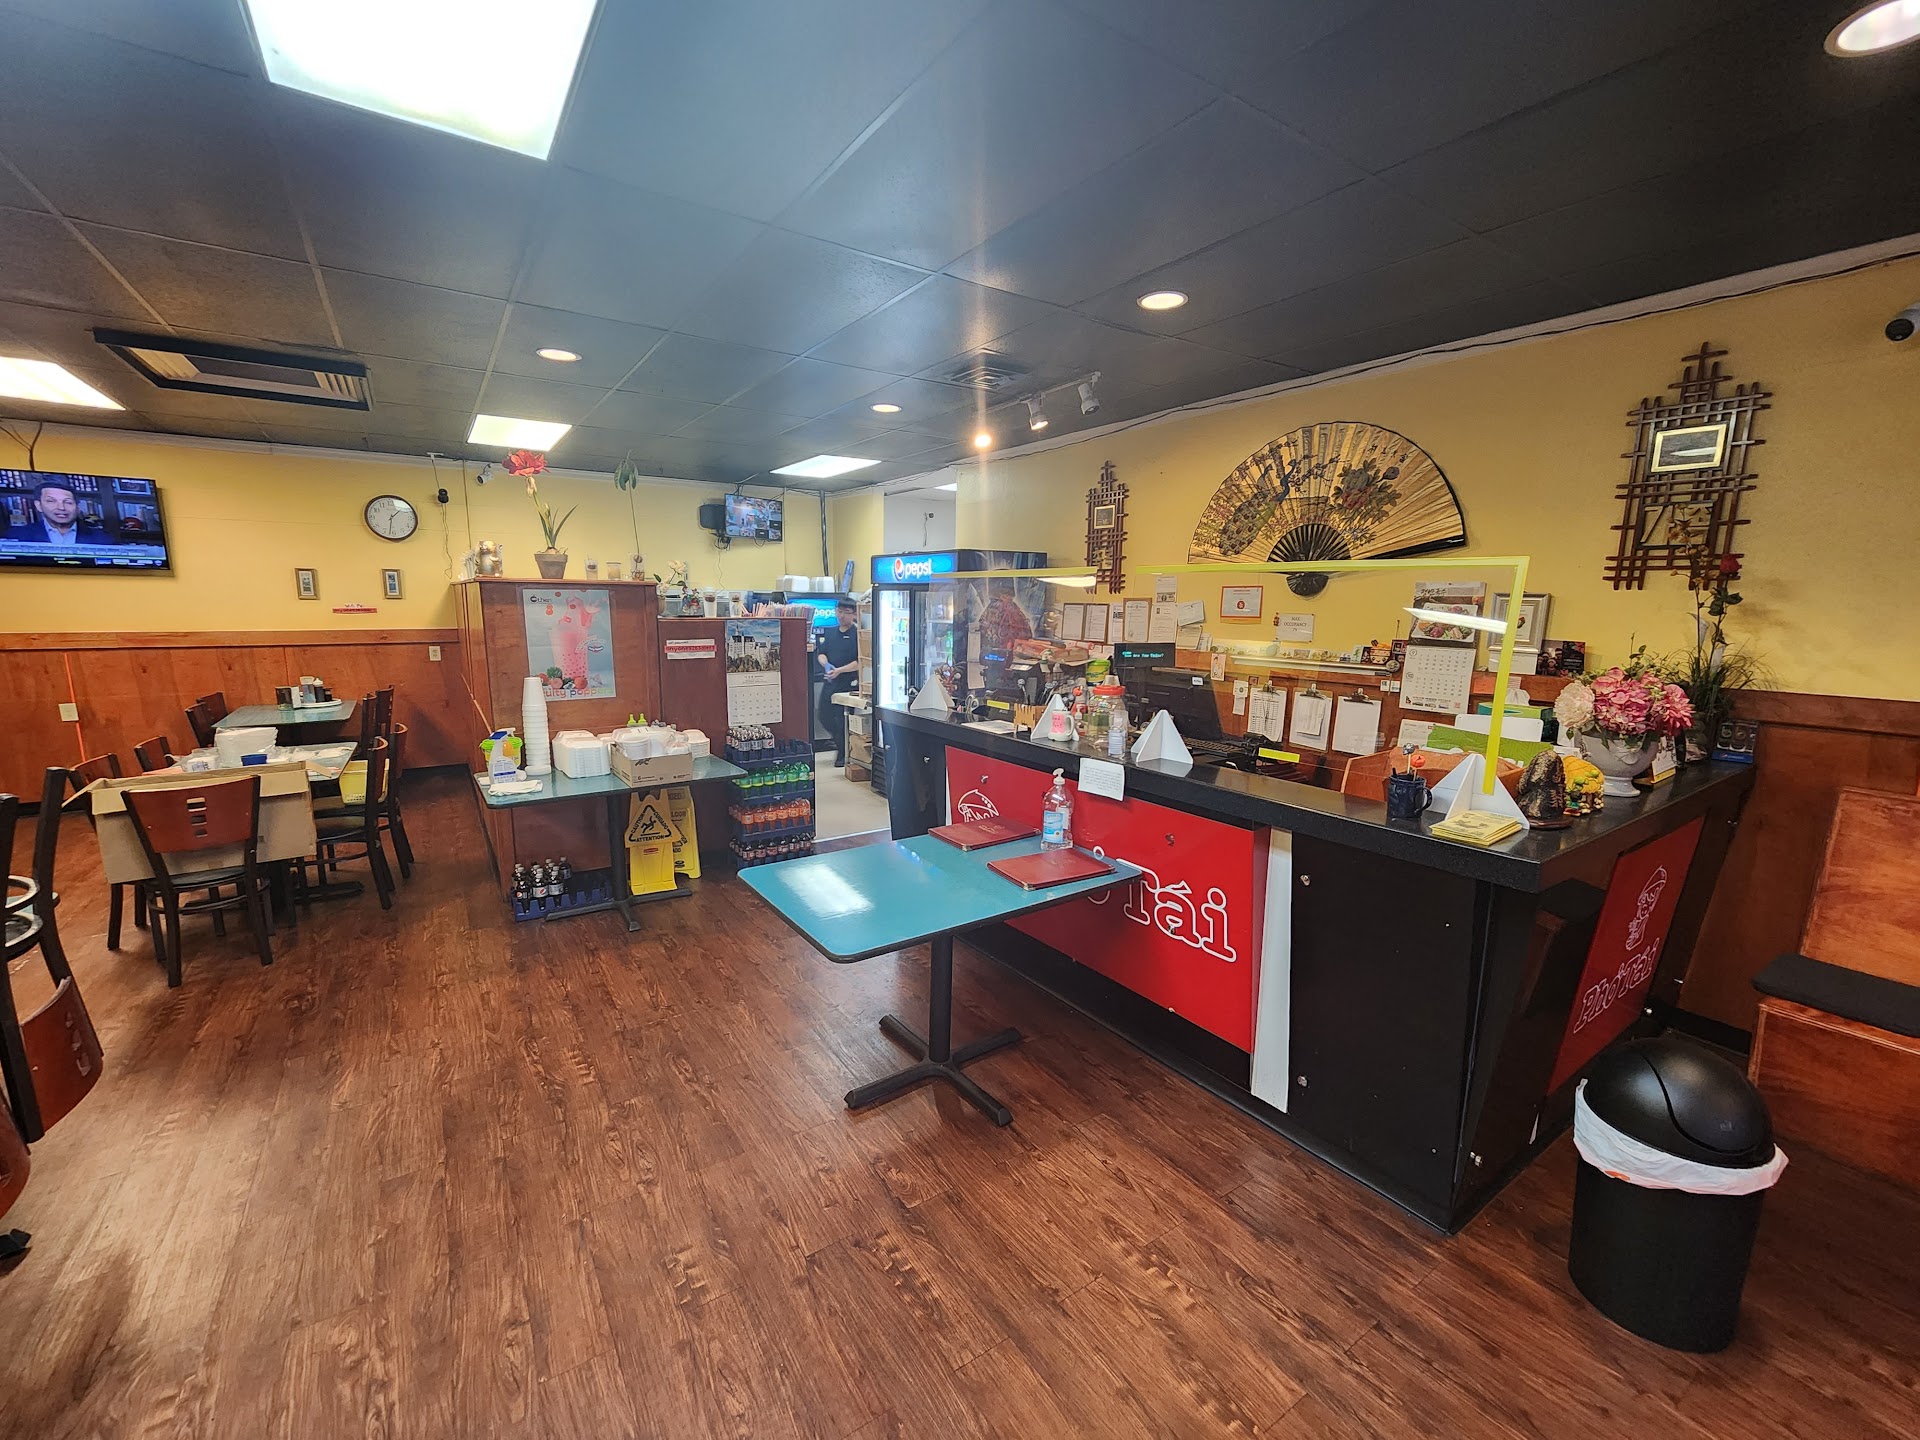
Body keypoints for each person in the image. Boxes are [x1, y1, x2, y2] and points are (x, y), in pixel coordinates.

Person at [816, 599, 861, 767]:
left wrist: (840, 670)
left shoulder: (857, 634)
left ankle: (843, 754)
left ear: (854, 614)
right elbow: (821, 653)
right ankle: (840, 744)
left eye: (846, 613)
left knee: (841, 720)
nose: (842, 616)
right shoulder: (831, 632)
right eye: (839, 612)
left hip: (848, 683)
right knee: (824, 716)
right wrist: (826, 665)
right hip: (830, 681)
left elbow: (860, 661)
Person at [9, 479, 111, 547]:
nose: (61, 508)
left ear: (77, 507)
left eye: (68, 502)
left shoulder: (104, 539)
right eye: (51, 501)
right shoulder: (15, 536)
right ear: (38, 505)